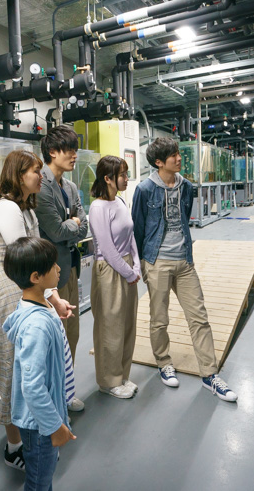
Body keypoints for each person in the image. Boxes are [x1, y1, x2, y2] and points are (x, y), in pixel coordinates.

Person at [0, 150, 75, 470]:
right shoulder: (8, 208)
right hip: (11, 292)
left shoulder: (27, 207)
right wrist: (51, 297)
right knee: (12, 366)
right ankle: (15, 445)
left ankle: (39, 432)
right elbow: (27, 261)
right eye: (35, 171)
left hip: (27, 288)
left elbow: (37, 264)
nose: (41, 176)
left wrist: (52, 296)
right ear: (18, 175)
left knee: (32, 364)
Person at [131, 137, 238, 402]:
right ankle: (163, 362)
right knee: (159, 318)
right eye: (173, 156)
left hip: (185, 262)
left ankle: (210, 375)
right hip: (157, 262)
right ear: (159, 162)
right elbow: (138, 229)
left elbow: (185, 218)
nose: (179, 158)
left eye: (179, 153)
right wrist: (144, 264)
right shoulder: (144, 189)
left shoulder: (186, 186)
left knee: (199, 317)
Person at [3, 237, 77, 491]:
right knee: (38, 482)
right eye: (53, 266)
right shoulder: (37, 325)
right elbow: (33, 387)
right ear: (36, 277)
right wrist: (54, 426)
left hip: (44, 418)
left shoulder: (39, 306)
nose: (58, 269)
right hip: (40, 426)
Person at [34, 126, 88, 413]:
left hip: (69, 267)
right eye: (69, 150)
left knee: (73, 333)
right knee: (54, 338)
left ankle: (66, 391)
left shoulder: (70, 186)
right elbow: (54, 230)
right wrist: (75, 223)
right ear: (52, 152)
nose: (74, 155)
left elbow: (84, 223)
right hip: (48, 273)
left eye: (75, 150)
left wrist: (76, 223)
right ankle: (52, 397)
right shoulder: (40, 184)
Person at [88, 156, 140, 399]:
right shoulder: (98, 207)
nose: (126, 179)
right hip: (109, 270)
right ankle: (108, 381)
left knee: (128, 324)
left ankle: (122, 375)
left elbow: (131, 236)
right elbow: (107, 249)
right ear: (107, 178)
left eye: (126, 174)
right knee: (110, 327)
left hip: (127, 266)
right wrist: (129, 272)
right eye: (122, 175)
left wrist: (136, 266)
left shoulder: (120, 201)